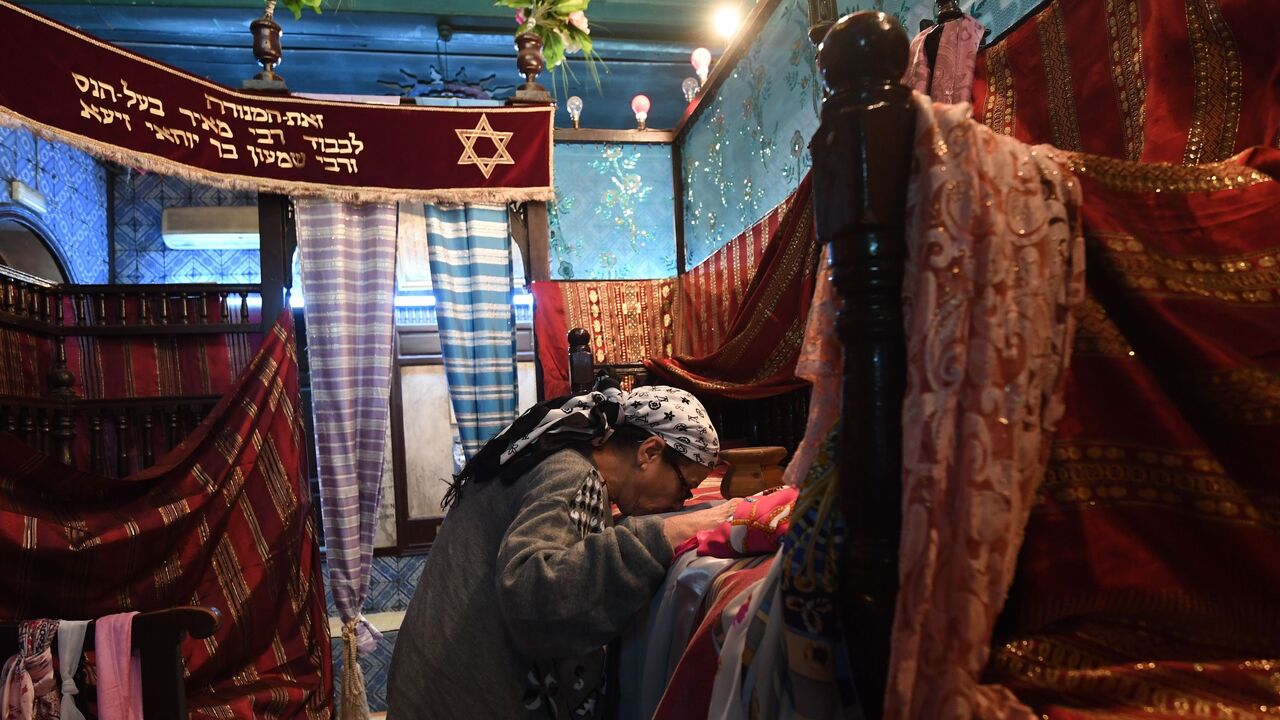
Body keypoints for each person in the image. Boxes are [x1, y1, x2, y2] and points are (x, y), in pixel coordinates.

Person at [386, 379, 735, 719]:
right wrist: (660, 534)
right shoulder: (572, 474)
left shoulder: (558, 456)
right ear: (650, 452)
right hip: (460, 697)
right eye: (684, 487)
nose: (679, 503)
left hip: (433, 684)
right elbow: (531, 595)